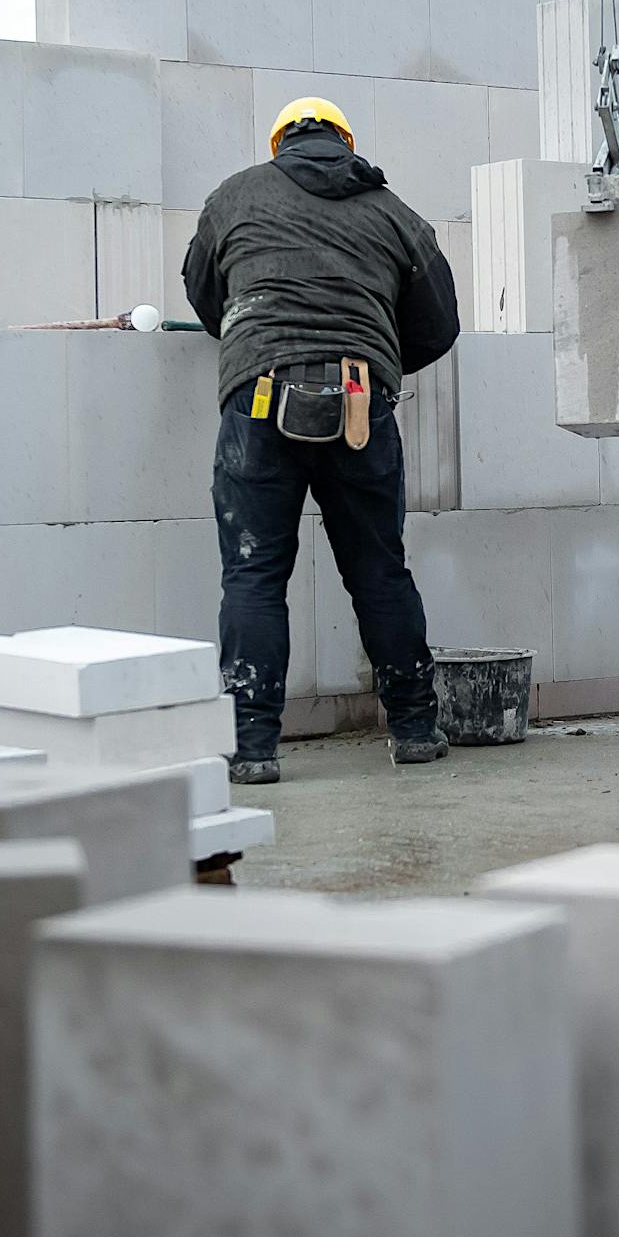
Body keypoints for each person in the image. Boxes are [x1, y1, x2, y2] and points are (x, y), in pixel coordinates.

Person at [182, 96, 460, 784]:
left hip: (261, 396)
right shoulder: (391, 210)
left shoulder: (234, 195)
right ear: (344, 141)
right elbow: (439, 323)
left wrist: (256, 343)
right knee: (379, 569)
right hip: (360, 400)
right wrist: (377, 357)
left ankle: (252, 749)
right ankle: (417, 729)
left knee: (253, 572)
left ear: (280, 143)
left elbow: (201, 289)